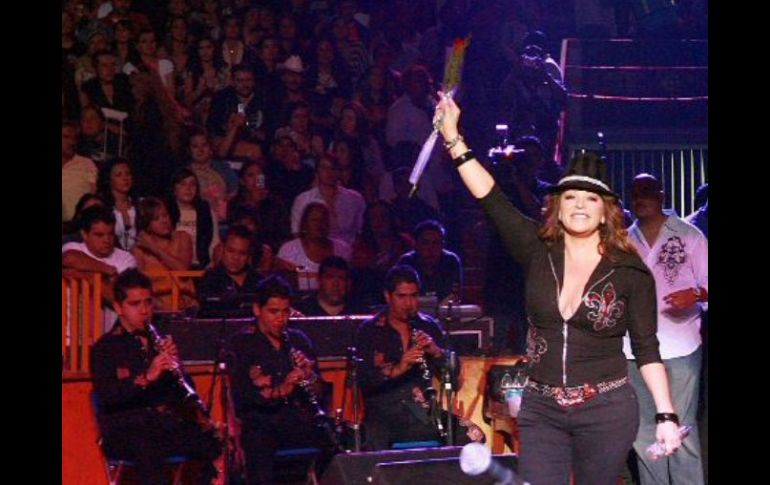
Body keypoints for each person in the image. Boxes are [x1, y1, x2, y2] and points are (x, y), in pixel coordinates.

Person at [434, 95, 682, 484]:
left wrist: (666, 415)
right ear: (558, 206)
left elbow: (647, 349)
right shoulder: (536, 250)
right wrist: (453, 139)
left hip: (606, 408)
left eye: (590, 198)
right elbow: (492, 199)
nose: (579, 205)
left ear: (606, 211)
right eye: (570, 196)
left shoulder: (630, 271)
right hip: (542, 408)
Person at [90, 269, 221, 484]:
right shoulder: (105, 348)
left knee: (209, 441)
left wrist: (177, 366)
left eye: (148, 302)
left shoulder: (158, 340)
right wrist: (147, 377)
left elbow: (185, 390)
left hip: (161, 425)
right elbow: (108, 396)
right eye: (135, 304)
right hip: (124, 428)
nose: (144, 311)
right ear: (118, 307)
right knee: (148, 443)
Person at [623, 173, 708, 485]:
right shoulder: (624, 241)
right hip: (632, 349)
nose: (640, 198)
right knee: (644, 430)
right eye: (635, 192)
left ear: (662, 195)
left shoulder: (689, 235)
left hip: (680, 345)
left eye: (647, 191)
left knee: (681, 428)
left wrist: (695, 295)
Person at [354, 265, 481, 450]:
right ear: (388, 296)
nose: (408, 304)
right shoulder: (370, 330)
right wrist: (398, 369)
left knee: (475, 437)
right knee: (371, 447)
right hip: (383, 414)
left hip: (422, 412)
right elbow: (362, 379)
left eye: (413, 296)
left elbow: (453, 379)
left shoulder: (428, 326)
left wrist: (436, 352)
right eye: (401, 296)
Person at [225, 275, 333, 484]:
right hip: (260, 423)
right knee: (258, 440)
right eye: (273, 312)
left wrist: (310, 376)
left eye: (285, 312)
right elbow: (243, 398)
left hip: (296, 419)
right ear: (257, 309)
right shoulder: (241, 343)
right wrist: (284, 388)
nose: (281, 319)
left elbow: (320, 392)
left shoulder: (298, 340)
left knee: (333, 438)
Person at [62, 205, 138, 331]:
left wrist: (90, 278)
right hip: (70, 332)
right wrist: (106, 270)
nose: (106, 240)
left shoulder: (126, 259)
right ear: (84, 234)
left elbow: (117, 298)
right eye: (99, 235)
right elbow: (69, 258)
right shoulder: (73, 247)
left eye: (110, 234)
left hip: (106, 333)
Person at [131, 197, 196, 311]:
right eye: (156, 219)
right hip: (158, 310)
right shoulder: (139, 250)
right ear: (146, 223)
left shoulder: (183, 238)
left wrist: (154, 249)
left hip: (187, 308)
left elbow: (182, 270)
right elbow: (140, 286)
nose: (164, 221)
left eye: (165, 215)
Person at [197, 225, 264, 309]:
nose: (236, 258)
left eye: (242, 253)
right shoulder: (209, 280)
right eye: (231, 251)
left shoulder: (259, 281)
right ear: (222, 248)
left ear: (249, 254)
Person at [397, 219, 462, 305]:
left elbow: (453, 294)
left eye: (436, 243)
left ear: (443, 245)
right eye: (425, 243)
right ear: (416, 245)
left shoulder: (451, 261)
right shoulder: (406, 262)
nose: (431, 249)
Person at [295, 255, 365, 316]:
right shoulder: (302, 310)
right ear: (319, 280)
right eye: (330, 277)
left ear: (349, 283)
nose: (336, 284)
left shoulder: (360, 311)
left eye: (341, 278)